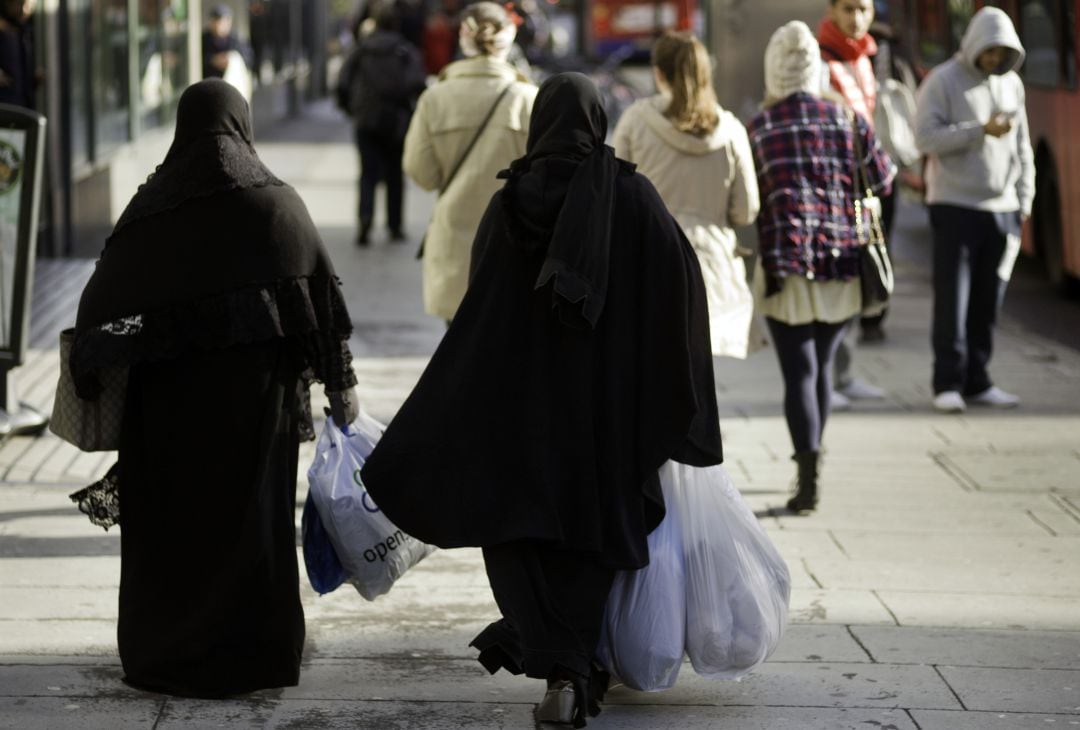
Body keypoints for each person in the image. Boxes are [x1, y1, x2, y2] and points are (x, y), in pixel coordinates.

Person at [360, 73, 722, 725]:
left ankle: (561, 661)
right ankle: (569, 668)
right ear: (597, 121)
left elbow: (482, 310)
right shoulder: (633, 200)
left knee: (517, 530)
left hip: (520, 414)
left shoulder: (509, 204)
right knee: (590, 537)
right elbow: (680, 293)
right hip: (603, 419)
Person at [69, 79, 359, 697]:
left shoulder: (151, 213)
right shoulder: (275, 206)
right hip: (257, 410)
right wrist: (341, 390)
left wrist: (97, 371)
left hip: (167, 410)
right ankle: (253, 654)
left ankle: (165, 652)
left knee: (172, 528)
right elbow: (321, 307)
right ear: (242, 126)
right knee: (252, 522)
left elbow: (98, 305)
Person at [748, 21, 893, 513]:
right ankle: (814, 470)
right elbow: (885, 178)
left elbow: (747, 201)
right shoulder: (847, 120)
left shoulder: (759, 127)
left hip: (785, 263)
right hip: (841, 260)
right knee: (824, 368)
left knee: (798, 373)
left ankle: (805, 475)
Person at [613, 30, 760, 359]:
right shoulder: (731, 131)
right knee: (702, 374)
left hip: (648, 261)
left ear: (659, 73)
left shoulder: (636, 121)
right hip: (712, 265)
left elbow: (617, 194)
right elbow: (746, 210)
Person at [914, 6, 1032, 414]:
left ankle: (978, 380)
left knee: (988, 301)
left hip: (1002, 209)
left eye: (1003, 53)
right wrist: (979, 131)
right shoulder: (942, 81)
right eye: (990, 51)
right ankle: (946, 381)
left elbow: (1023, 147)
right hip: (954, 205)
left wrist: (1024, 201)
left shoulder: (1011, 85)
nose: (995, 60)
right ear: (975, 43)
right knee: (954, 300)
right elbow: (925, 138)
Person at [403, 1, 536, 323]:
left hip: (455, 240)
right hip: (514, 240)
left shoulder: (435, 98)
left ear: (463, 37)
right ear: (511, 34)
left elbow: (422, 173)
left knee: (459, 347)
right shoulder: (528, 98)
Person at [817, 0, 891, 406]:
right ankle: (829, 376)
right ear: (831, 10)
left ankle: (843, 374)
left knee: (855, 278)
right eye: (848, 8)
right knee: (835, 280)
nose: (857, 17)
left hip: (863, 186)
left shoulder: (866, 56)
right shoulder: (820, 58)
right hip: (834, 189)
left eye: (864, 8)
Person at [337, 0, 426, 245]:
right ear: (396, 23)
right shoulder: (405, 51)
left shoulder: (362, 49)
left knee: (367, 173)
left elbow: (343, 82)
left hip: (365, 119)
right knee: (395, 174)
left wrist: (351, 109)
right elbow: (417, 85)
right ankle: (395, 226)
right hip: (396, 121)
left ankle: (365, 219)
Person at [202, 4, 255, 91]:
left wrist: (231, 60)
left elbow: (249, 59)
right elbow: (196, 61)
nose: (219, 25)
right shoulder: (204, 40)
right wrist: (213, 61)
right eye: (217, 21)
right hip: (208, 86)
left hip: (230, 89)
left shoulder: (236, 40)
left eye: (223, 21)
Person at [0, 0, 37, 109]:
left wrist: (32, 80)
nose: (24, 10)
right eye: (21, 4)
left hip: (21, 104)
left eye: (29, 6)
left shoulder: (24, 32)